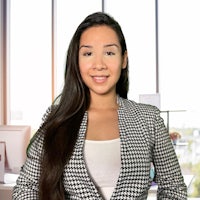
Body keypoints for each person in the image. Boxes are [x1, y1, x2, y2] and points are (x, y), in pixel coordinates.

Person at [12, 12, 187, 200]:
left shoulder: (148, 119)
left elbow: (174, 189)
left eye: (109, 53)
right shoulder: (57, 117)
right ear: (77, 61)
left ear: (124, 59)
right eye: (88, 53)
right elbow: (25, 189)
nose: (99, 64)